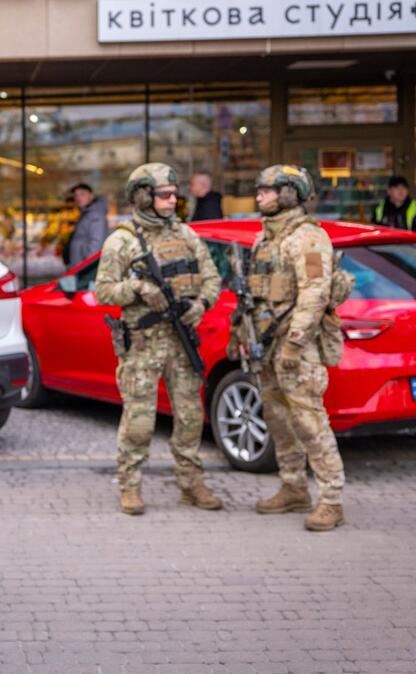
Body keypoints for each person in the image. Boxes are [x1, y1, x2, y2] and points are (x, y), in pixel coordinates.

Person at [96, 163, 223, 515]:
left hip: (181, 342)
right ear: (144, 196)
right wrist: (137, 288)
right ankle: (130, 485)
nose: (173, 199)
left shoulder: (186, 236)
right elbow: (103, 291)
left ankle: (191, 483)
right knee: (139, 420)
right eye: (165, 194)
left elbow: (212, 279)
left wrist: (201, 304)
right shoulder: (122, 240)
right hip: (143, 343)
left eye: (174, 193)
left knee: (190, 416)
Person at [241, 164, 346, 531]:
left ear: (288, 193)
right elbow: (254, 295)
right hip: (266, 346)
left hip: (295, 349)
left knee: (309, 421)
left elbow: (315, 294)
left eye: (266, 190)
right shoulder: (264, 239)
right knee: (278, 418)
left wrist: (295, 343)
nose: (259, 196)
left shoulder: (308, 238)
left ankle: (331, 499)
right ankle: (293, 486)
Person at [66, 182, 109, 266]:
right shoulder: (86, 214)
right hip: (80, 267)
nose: (78, 198)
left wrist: (86, 267)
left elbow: (96, 245)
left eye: (82, 194)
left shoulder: (96, 216)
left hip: (85, 269)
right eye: (76, 195)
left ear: (91, 195)